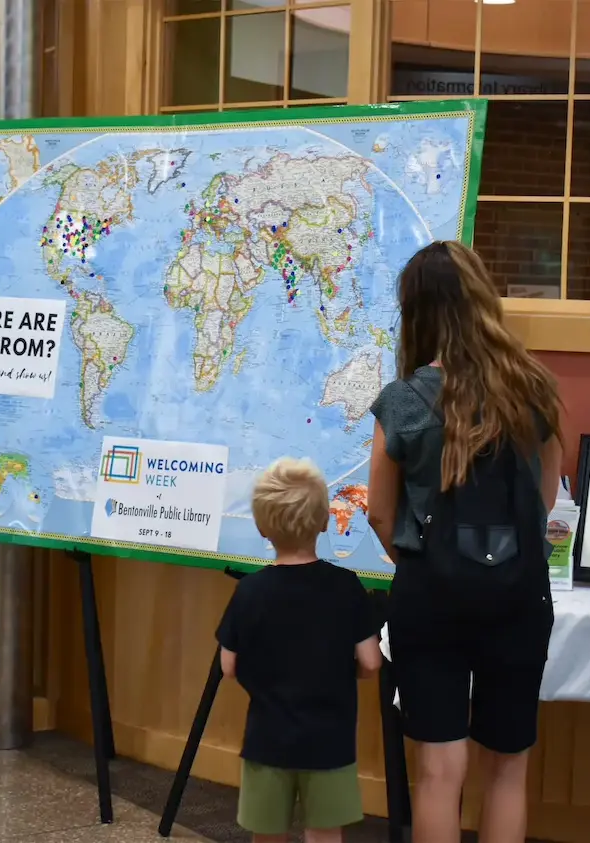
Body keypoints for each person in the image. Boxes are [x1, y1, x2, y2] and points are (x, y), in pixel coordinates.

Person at [366, 241, 563, 843]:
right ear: (482, 298)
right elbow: (545, 502)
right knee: (507, 768)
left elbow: (379, 515)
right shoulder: (536, 389)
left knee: (438, 771)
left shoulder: (401, 401)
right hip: (520, 595)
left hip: (430, 596)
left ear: (415, 311)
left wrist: (434, 564)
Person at [216, 457, 383, 843]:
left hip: (266, 742)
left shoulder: (249, 592)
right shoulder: (347, 587)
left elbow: (228, 665)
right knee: (325, 833)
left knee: (268, 834)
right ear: (325, 520)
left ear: (261, 526)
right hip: (331, 743)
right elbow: (371, 662)